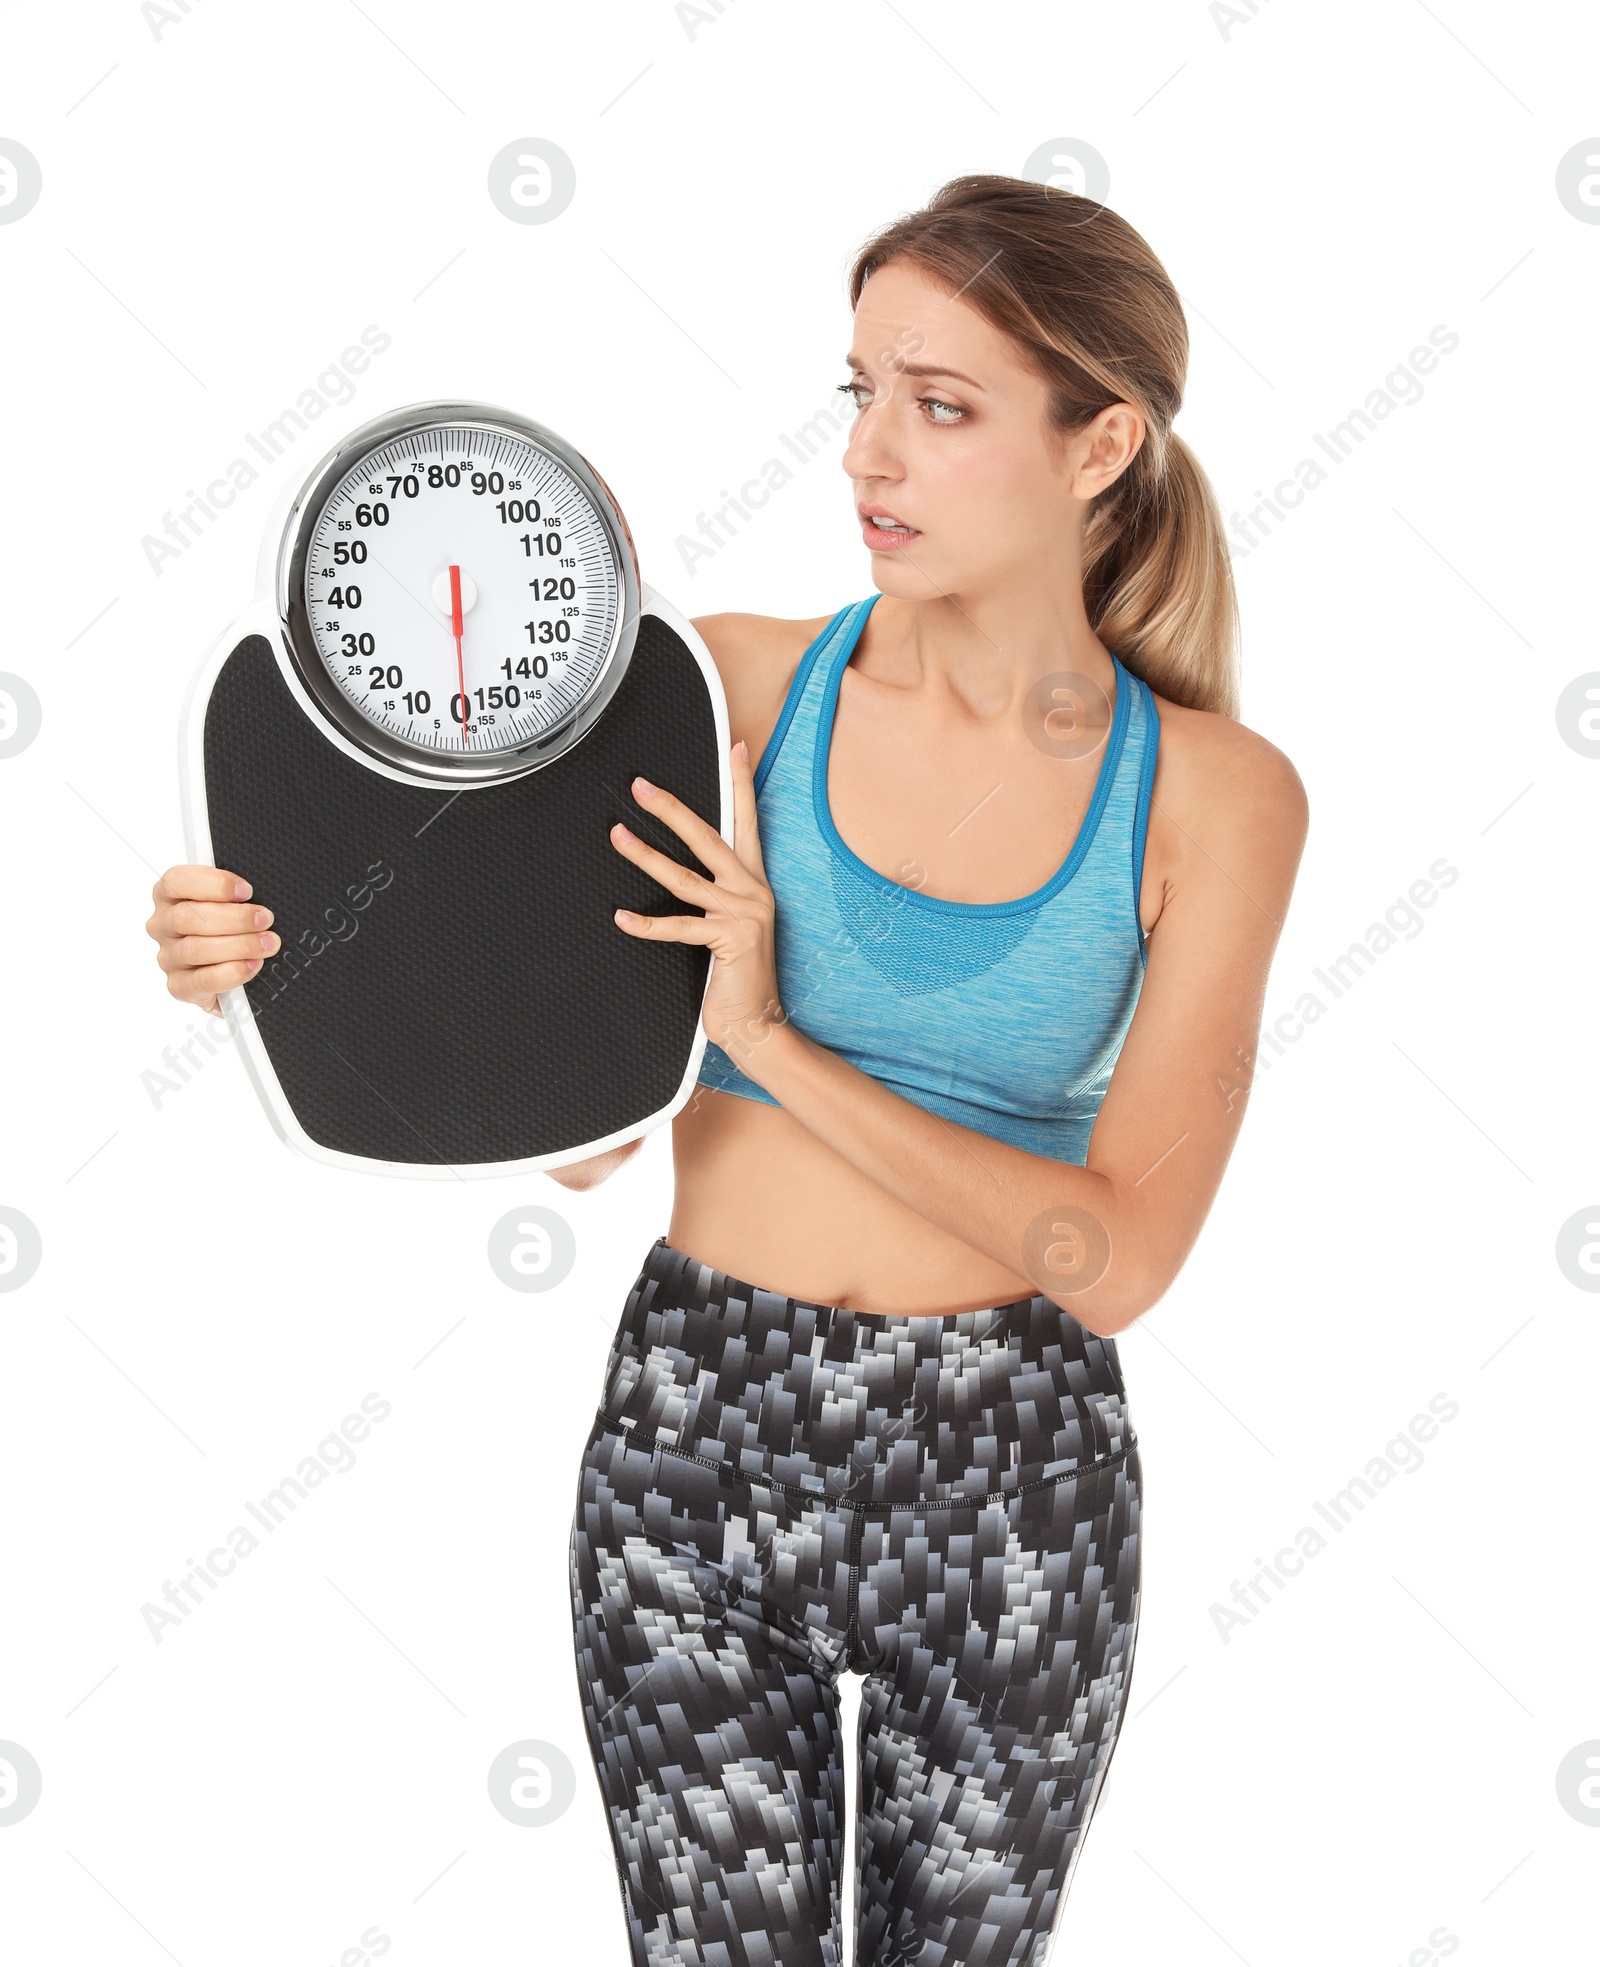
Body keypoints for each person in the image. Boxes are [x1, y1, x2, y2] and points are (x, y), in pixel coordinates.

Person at [147, 176, 1307, 1967]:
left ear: (1103, 445)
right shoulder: (730, 689)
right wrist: (276, 963)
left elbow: (1119, 1260)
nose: (871, 459)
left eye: (942, 405)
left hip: (1017, 1477)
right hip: (698, 1432)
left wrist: (763, 1038)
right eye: (858, 394)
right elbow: (574, 1120)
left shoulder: (1217, 797)